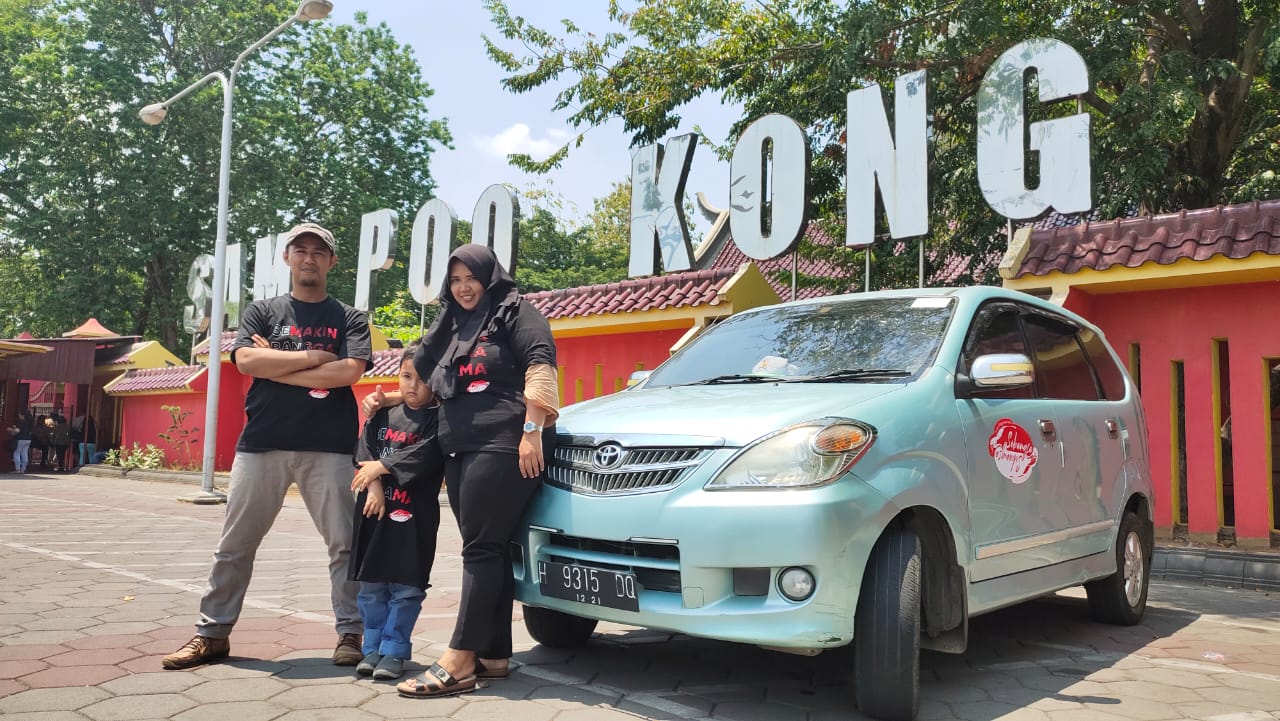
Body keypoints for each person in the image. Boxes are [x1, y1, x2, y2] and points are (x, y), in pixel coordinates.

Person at [162, 222, 373, 670]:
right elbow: (245, 360)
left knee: (344, 546)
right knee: (235, 545)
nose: (309, 258)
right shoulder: (262, 312)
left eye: (319, 252)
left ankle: (351, 633)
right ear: (287, 258)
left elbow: (349, 372)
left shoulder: (350, 318)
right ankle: (212, 634)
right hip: (262, 444)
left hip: (331, 447)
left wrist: (276, 365)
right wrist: (315, 357)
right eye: (301, 250)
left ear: (332, 261)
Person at [370, 245, 559, 699]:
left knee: (480, 549)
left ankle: (460, 660)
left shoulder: (518, 313)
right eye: (454, 280)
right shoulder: (451, 324)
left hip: (505, 442)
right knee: (489, 547)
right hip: (458, 445)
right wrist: (390, 398)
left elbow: (540, 367)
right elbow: (430, 378)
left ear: (490, 277)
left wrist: (531, 431)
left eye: (471, 277)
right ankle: (493, 654)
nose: (463, 287)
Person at [349, 341, 445, 680]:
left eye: (422, 378)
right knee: (371, 587)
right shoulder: (382, 414)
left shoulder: (439, 421)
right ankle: (371, 648)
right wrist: (374, 482)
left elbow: (428, 454)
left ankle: (394, 650)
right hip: (373, 514)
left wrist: (383, 466)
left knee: (406, 589)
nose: (413, 385)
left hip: (414, 520)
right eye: (406, 376)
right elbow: (365, 451)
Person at [9, 410, 33, 474]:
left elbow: (17, 430)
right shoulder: (30, 422)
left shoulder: (21, 421)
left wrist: (10, 429)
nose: (19, 415)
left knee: (17, 453)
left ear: (23, 415)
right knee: (24, 453)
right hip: (28, 439)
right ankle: (23, 469)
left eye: (19, 414)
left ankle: (18, 469)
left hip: (20, 439)